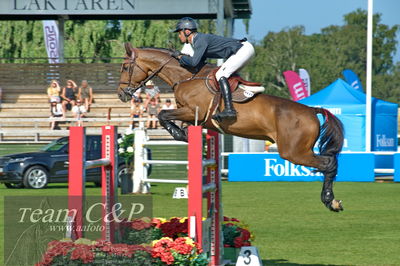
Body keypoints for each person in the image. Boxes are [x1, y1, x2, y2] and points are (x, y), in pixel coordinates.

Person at [172, 17, 255, 122]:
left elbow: (194, 63)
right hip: (243, 50)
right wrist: (182, 58)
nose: (179, 36)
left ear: (187, 31)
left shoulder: (199, 40)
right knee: (226, 75)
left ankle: (229, 110)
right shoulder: (198, 41)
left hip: (242, 50)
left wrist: (180, 57)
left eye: (180, 33)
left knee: (220, 74)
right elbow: (199, 64)